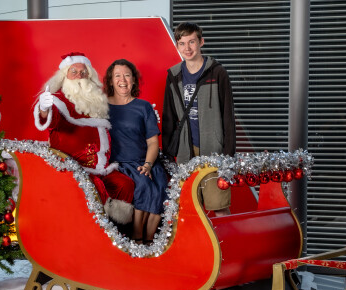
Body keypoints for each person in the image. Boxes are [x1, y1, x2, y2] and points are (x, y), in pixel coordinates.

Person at [34, 52, 135, 224]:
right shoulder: (58, 100)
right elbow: (50, 121)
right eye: (74, 72)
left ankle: (118, 230)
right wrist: (44, 108)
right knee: (95, 187)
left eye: (83, 72)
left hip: (102, 168)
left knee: (125, 184)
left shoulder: (95, 99)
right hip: (74, 169)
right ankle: (97, 230)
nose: (79, 76)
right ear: (64, 75)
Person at [162, 22, 236, 217]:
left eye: (192, 42)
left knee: (219, 206)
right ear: (177, 46)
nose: (187, 48)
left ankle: (225, 239)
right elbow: (168, 117)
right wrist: (168, 154)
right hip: (185, 151)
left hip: (214, 150)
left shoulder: (217, 72)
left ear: (201, 42)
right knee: (189, 209)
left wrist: (227, 155)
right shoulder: (174, 75)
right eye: (182, 43)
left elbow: (228, 116)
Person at [104, 59, 168, 243]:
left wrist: (148, 165)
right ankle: (137, 236)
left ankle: (150, 240)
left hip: (145, 160)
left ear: (133, 80)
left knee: (161, 187)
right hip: (118, 164)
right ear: (111, 81)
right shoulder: (101, 107)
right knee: (143, 184)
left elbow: (153, 142)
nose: (122, 80)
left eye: (127, 75)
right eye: (117, 76)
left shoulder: (143, 107)